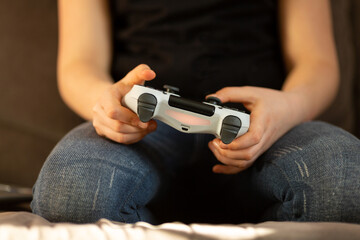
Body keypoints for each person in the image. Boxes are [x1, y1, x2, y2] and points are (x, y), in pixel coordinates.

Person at [31, 0, 360, 224]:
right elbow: (79, 63)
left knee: (346, 183)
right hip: (144, 122)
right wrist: (105, 103)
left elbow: (317, 63)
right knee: (70, 195)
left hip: (263, 123)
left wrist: (287, 108)